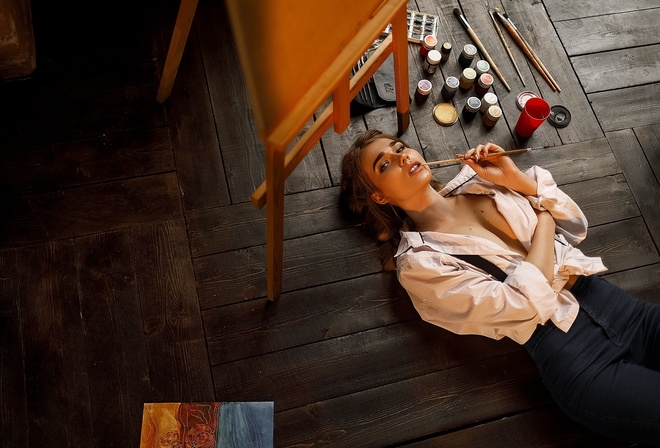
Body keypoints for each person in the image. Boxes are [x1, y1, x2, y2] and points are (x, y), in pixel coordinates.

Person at [340, 129, 660, 445]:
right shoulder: (420, 264)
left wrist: (516, 179)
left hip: (624, 310)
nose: (401, 156)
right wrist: (545, 218)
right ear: (379, 196)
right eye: (384, 165)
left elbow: (576, 226)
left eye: (400, 147)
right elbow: (524, 302)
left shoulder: (481, 180)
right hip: (580, 360)